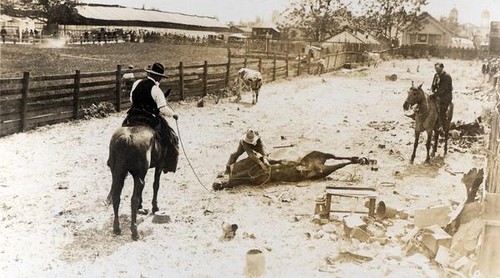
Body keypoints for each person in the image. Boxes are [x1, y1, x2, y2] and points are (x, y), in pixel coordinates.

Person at [123, 62, 179, 173]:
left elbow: (131, 100)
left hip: (133, 115)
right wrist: (173, 114)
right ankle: (167, 164)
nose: (160, 79)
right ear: (158, 77)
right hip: (149, 118)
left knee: (122, 130)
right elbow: (162, 108)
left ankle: (116, 158)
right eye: (161, 77)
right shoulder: (156, 90)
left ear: (150, 74)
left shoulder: (137, 83)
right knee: (170, 137)